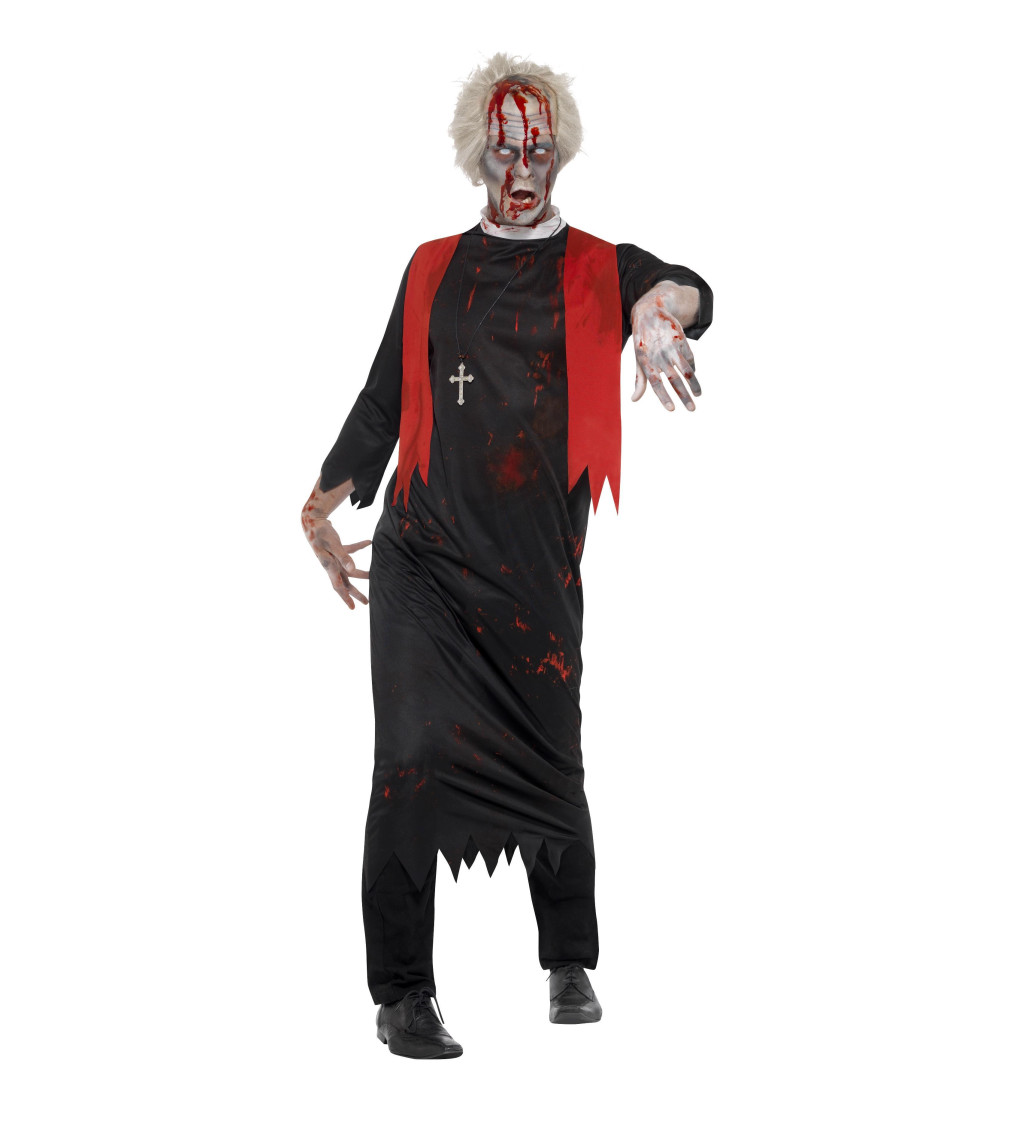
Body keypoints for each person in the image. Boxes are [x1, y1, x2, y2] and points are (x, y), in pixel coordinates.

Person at [301, 52, 713, 1060]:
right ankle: (403, 992)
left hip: (534, 573)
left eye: (536, 150)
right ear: (475, 155)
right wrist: (319, 506)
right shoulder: (431, 266)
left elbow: (692, 289)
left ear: (558, 152)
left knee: (552, 756)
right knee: (407, 761)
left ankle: (567, 960)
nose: (520, 169)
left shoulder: (599, 266)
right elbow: (382, 398)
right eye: (501, 150)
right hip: (424, 561)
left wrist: (657, 311)